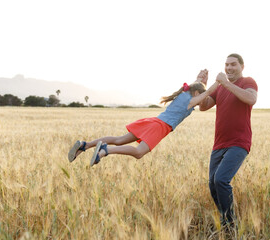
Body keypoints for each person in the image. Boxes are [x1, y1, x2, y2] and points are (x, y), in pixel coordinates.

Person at [68, 70, 218, 167]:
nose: (203, 102)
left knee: (119, 139)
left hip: (153, 121)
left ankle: (85, 145)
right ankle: (106, 150)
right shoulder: (191, 101)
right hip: (160, 127)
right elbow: (207, 93)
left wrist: (199, 80)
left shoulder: (183, 94)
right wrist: (220, 82)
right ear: (197, 92)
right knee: (139, 152)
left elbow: (199, 91)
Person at [199, 53, 258, 228]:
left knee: (221, 180)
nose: (229, 68)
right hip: (219, 144)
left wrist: (225, 83)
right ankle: (225, 219)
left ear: (242, 67)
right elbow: (203, 106)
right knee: (212, 184)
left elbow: (251, 98)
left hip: (239, 142)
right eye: (226, 65)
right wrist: (203, 85)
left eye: (233, 64)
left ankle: (231, 225)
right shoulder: (220, 87)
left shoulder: (248, 82)